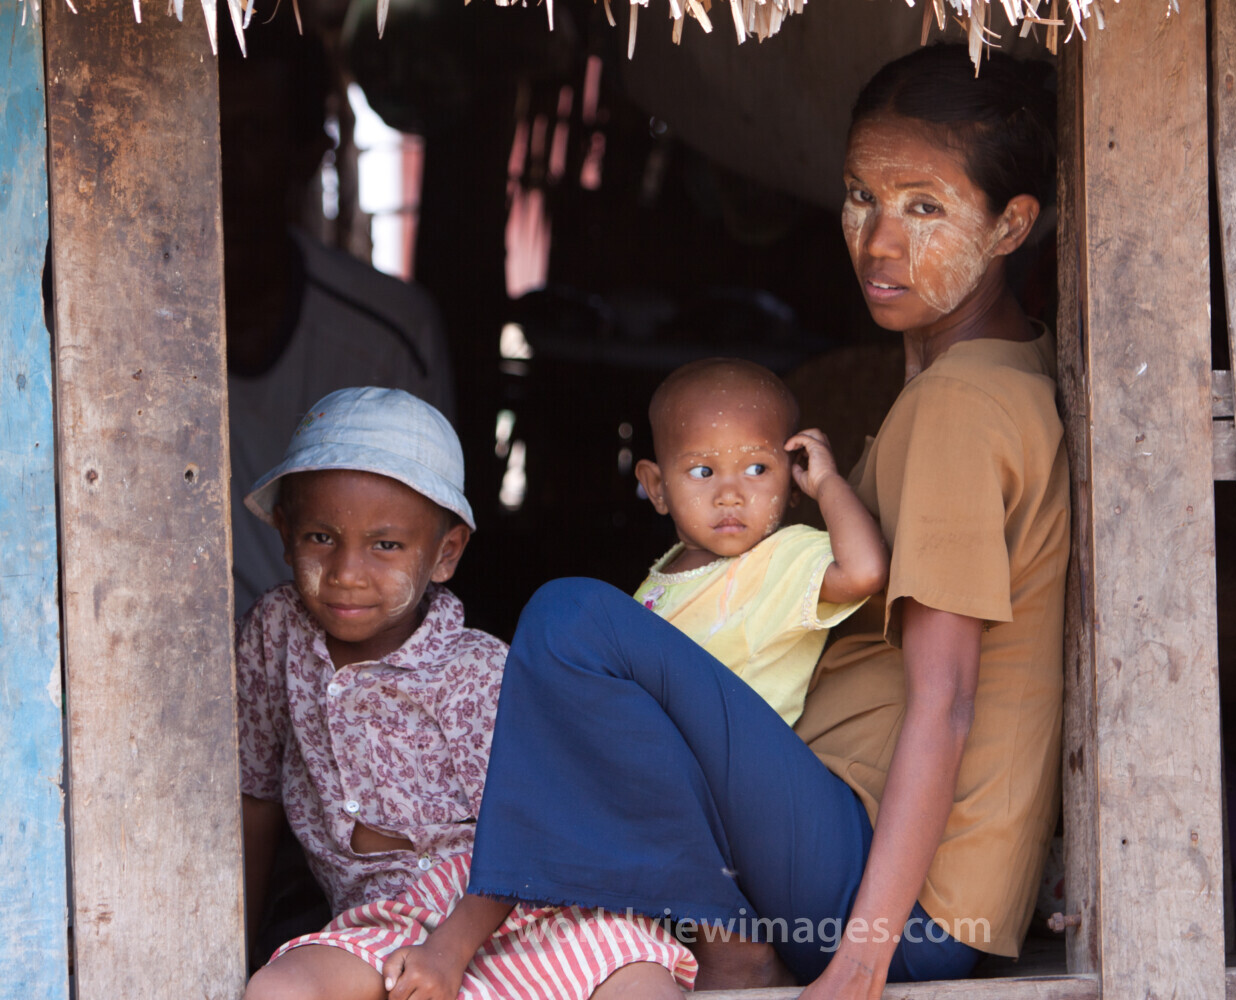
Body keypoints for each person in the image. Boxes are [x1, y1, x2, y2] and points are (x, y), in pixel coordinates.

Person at [391, 41, 1066, 1000]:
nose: (878, 240)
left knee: (574, 622)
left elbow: (949, 699)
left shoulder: (963, 411)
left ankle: (559, 924)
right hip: (848, 857)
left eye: (925, 207)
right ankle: (714, 928)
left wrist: (861, 965)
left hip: (895, 907)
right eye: (861, 195)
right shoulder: (991, 370)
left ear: (1009, 226)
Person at [238, 387, 695, 1000]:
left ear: (445, 554)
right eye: (321, 538)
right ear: (284, 530)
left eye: (386, 545)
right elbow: (257, 794)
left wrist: (449, 954)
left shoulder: (478, 672)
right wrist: (234, 939)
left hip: (523, 906)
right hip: (386, 919)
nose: (347, 571)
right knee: (275, 993)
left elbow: (531, 830)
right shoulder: (276, 632)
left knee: (640, 982)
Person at [220, 18, 456, 618]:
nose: (219, 163)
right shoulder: (92, 324)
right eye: (203, 130)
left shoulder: (388, 333)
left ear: (306, 153)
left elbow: (415, 541)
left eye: (251, 132)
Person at [632, 358, 887, 725]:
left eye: (757, 469)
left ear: (792, 479)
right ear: (658, 488)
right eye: (703, 471)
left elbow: (865, 572)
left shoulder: (781, 560)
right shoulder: (667, 568)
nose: (730, 494)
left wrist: (827, 481)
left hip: (724, 767)